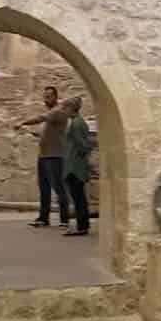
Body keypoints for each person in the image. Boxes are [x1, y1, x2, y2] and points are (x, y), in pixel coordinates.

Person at [16, 85, 70, 228]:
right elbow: (52, 132)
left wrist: (23, 122)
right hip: (44, 156)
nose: (46, 100)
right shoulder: (53, 112)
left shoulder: (58, 110)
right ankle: (43, 218)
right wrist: (38, 135)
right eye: (44, 97)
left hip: (55, 156)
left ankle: (64, 219)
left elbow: (41, 118)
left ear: (55, 97)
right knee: (44, 188)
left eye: (48, 97)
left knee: (59, 188)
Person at [61, 97, 92, 237]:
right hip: (75, 164)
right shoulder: (77, 122)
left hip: (74, 166)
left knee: (78, 197)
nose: (64, 110)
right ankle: (83, 225)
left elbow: (83, 145)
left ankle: (81, 226)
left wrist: (78, 158)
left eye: (65, 107)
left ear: (71, 108)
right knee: (79, 196)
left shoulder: (76, 123)